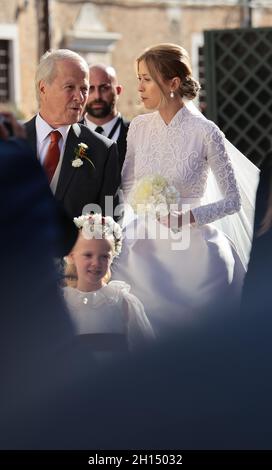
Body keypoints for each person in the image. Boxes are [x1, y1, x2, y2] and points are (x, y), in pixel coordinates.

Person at [112, 43, 256, 336]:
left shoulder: (206, 132)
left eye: (146, 79)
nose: (138, 87)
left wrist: (187, 217)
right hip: (142, 243)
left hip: (197, 253)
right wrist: (142, 206)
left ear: (173, 83)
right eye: (138, 78)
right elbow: (127, 185)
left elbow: (232, 200)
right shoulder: (138, 127)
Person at [24, 49, 120, 221]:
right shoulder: (9, 143)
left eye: (84, 88)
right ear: (43, 87)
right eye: (70, 87)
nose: (80, 97)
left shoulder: (103, 151)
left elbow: (109, 223)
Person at [63, 213, 154, 354]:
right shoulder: (61, 303)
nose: (96, 263)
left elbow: (146, 353)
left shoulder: (123, 303)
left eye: (104, 256)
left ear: (112, 258)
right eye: (88, 255)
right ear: (71, 256)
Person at [83, 63, 130, 170]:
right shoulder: (68, 133)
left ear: (118, 91)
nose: (97, 96)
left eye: (104, 88)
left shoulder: (137, 133)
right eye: (90, 88)